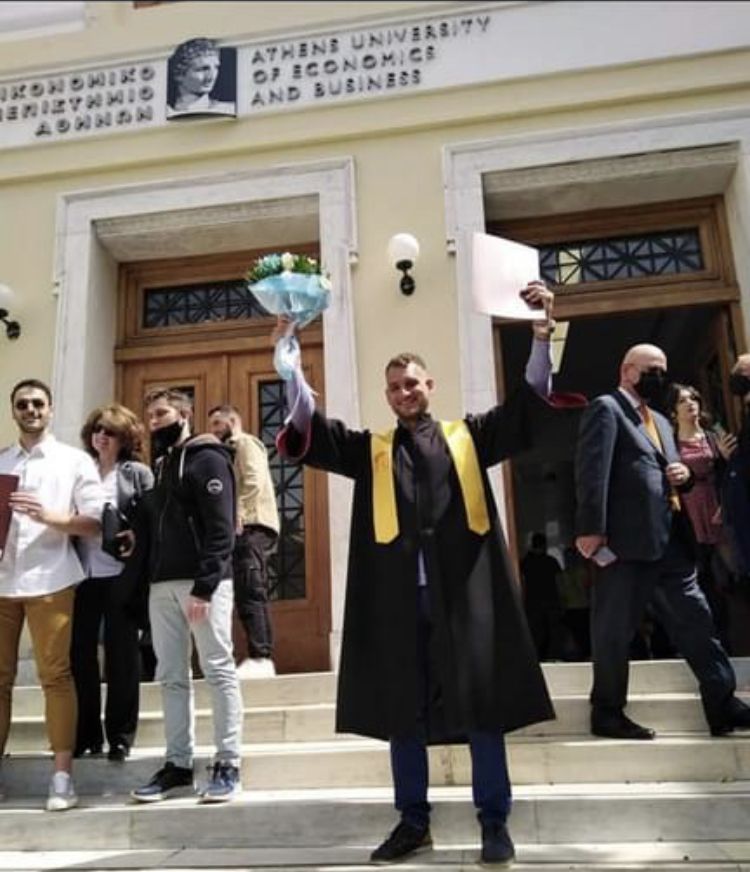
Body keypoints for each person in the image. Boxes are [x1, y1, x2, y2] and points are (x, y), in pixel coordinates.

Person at [274, 282, 574, 867]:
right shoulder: (371, 450)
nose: (403, 392)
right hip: (397, 601)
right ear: (387, 396)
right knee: (401, 706)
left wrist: (541, 333)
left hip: (465, 595)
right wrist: (289, 359)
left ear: (429, 386)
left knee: (482, 702)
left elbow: (528, 405)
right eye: (394, 387)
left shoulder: (469, 437)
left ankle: (494, 820)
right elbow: (310, 428)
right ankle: (413, 821)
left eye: (412, 383)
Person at [574, 344, 750, 741]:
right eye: (651, 370)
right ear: (627, 371)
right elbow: (591, 472)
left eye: (663, 370)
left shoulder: (660, 421)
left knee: (697, 619)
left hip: (671, 539)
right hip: (625, 544)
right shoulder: (607, 409)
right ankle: (607, 712)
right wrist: (590, 529)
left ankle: (722, 703)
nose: (659, 377)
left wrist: (684, 478)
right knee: (614, 630)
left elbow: (673, 472)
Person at [129, 387, 243, 804]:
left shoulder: (207, 459)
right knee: (172, 676)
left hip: (202, 584)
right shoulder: (160, 465)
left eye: (162, 414)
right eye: (150, 416)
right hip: (161, 585)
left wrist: (205, 586)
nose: (154, 422)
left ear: (185, 414)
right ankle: (177, 764)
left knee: (217, 669)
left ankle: (228, 762)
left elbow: (222, 529)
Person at [0, 379, 103, 810]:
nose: (31, 410)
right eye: (23, 404)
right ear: (13, 410)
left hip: (51, 578)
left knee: (56, 677)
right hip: (2, 583)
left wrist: (49, 517)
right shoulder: (1, 461)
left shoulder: (74, 460)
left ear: (51, 409)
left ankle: (62, 778)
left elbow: (95, 521)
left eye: (38, 403)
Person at [71, 403, 154, 762]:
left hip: (122, 576)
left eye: (111, 432)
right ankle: (87, 735)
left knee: (122, 658)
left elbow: (151, 521)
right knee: (80, 656)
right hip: (82, 576)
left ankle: (120, 736)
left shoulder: (137, 473)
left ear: (125, 439)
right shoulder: (79, 470)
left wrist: (133, 536)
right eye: (98, 430)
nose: (102, 436)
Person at [208, 405, 280, 679]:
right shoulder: (225, 450)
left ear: (233, 421)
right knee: (242, 589)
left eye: (217, 423)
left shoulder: (246, 444)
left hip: (251, 525)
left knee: (251, 588)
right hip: (238, 528)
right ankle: (255, 656)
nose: (213, 430)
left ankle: (261, 657)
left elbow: (253, 480)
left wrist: (237, 511)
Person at [668, 383, 736, 652]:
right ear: (674, 411)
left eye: (694, 398)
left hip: (719, 509)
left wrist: (727, 460)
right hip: (689, 514)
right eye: (683, 400)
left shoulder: (713, 434)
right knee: (701, 579)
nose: (690, 404)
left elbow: (734, 471)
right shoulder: (670, 442)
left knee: (733, 572)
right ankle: (715, 643)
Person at [519, 532, 564, 661]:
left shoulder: (525, 562)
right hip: (551, 600)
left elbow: (522, 582)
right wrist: (563, 600)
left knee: (535, 631)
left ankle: (536, 657)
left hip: (532, 601)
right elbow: (559, 582)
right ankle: (553, 656)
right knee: (554, 630)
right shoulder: (551, 561)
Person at [166, 38, 235, 118]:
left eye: (216, 67)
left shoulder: (229, 109)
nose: (211, 77)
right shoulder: (164, 112)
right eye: (203, 69)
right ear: (179, 75)